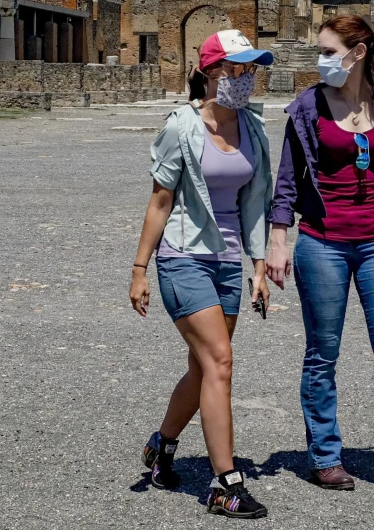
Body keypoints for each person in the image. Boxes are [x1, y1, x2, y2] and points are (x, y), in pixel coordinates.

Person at [265, 15, 374, 505]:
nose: (320, 61)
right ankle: (325, 457)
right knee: (322, 355)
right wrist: (280, 239)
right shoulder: (305, 107)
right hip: (322, 242)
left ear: (358, 52)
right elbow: (287, 180)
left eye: (327, 51)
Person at [129, 29, 274, 520]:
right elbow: (160, 200)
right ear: (211, 71)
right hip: (182, 255)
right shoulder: (181, 127)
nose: (247, 77)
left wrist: (258, 267)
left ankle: (161, 446)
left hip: (228, 263)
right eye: (238, 68)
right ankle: (225, 484)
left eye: (252, 68)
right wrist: (139, 268)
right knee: (220, 361)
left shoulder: (252, 129)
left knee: (204, 367)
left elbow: (255, 203)